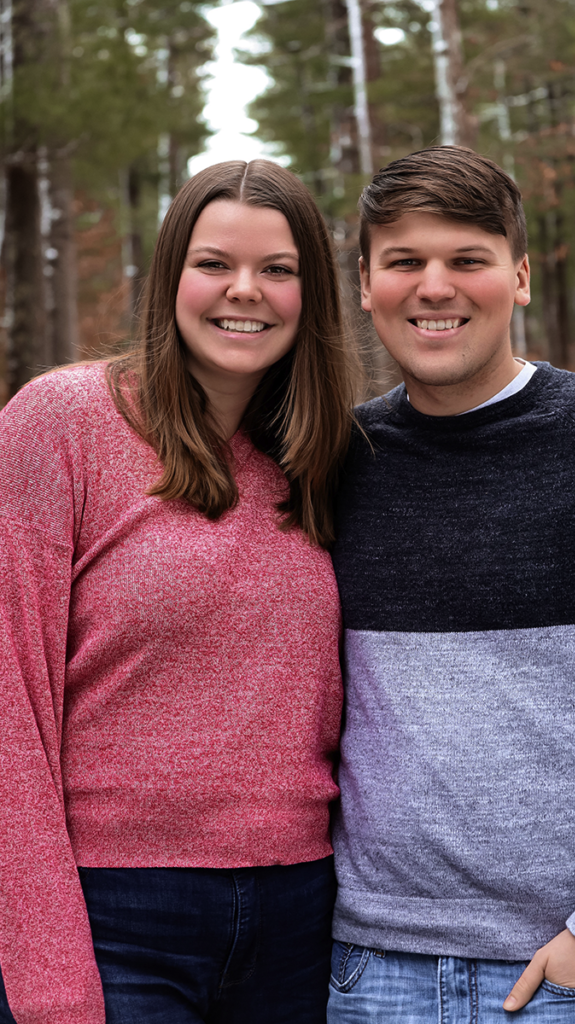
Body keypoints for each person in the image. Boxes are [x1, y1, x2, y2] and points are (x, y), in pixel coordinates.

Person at [328, 145, 575, 1023]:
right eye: (404, 261)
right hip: (365, 976)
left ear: (518, 277)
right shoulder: (335, 463)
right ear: (365, 286)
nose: (435, 286)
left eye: (468, 260)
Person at [0, 159, 357, 1024]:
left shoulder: (323, 461)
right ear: (169, 277)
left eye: (278, 270)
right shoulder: (64, 423)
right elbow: (10, 703)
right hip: (113, 913)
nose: (246, 291)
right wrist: (47, 976)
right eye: (213, 264)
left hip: (301, 918)